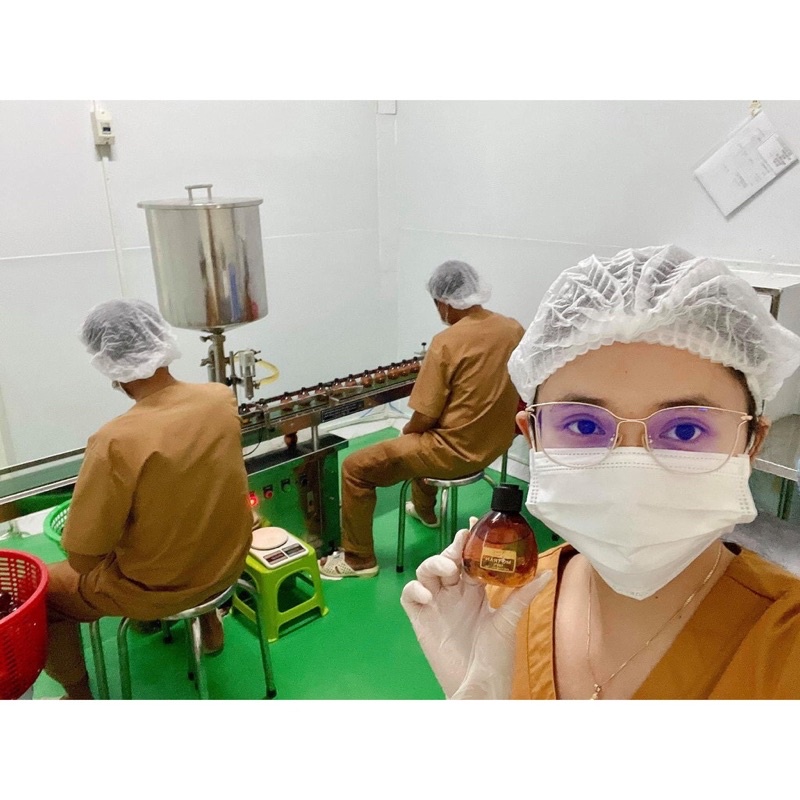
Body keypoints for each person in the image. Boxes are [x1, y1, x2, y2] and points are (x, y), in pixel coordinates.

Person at [401, 245, 800, 699]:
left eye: (685, 429)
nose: (631, 472)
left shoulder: (786, 643)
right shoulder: (503, 601)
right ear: (532, 436)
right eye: (585, 425)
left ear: (751, 444)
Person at [45, 299, 253, 699]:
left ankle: (78, 697)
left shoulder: (115, 440)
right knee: (194, 521)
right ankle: (210, 628)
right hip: (226, 566)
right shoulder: (219, 399)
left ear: (108, 363)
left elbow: (83, 560)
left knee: (47, 594)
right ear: (160, 339)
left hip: (162, 590)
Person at [319, 260, 525, 579]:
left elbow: (425, 416)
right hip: (494, 444)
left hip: (454, 454)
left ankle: (358, 559)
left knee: (356, 468)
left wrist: (407, 433)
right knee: (418, 445)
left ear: (443, 302)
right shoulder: (512, 329)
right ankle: (425, 512)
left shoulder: (447, 342)